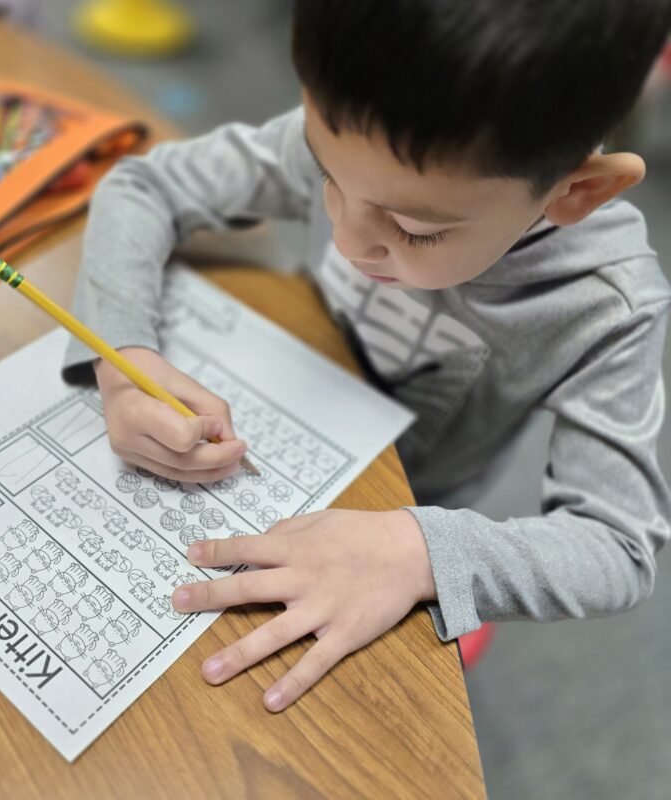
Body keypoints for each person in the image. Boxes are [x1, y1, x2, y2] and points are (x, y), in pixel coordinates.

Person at [63, 1, 671, 712]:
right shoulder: (366, 135)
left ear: (578, 192)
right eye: (326, 176)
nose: (349, 240)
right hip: (292, 441)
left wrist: (423, 555)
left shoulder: (605, 305)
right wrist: (123, 359)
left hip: (419, 500)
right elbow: (146, 185)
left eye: (413, 231)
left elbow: (618, 547)